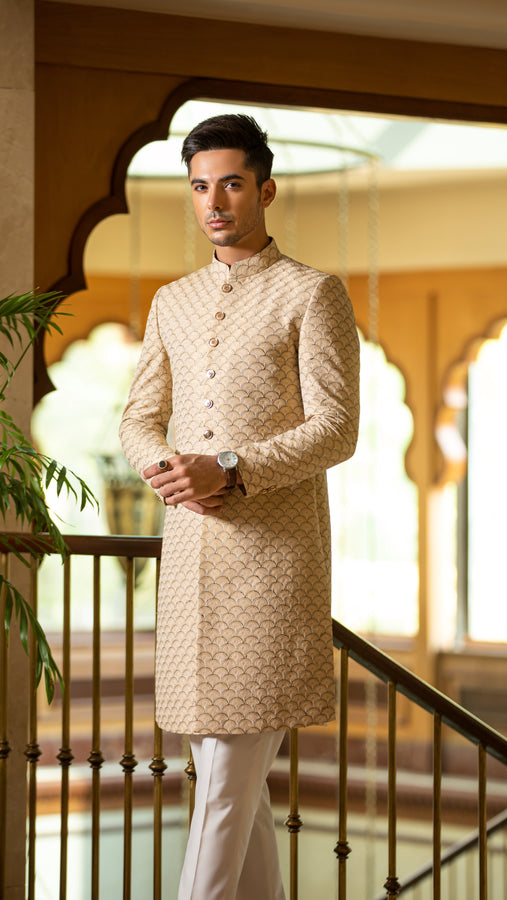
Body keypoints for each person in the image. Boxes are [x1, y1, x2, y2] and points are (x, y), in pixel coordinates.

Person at [119, 113, 360, 900]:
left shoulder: (312, 293)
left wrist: (229, 466)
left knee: (224, 783)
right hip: (190, 566)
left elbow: (337, 429)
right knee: (232, 790)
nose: (213, 201)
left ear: (265, 189)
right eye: (199, 186)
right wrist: (168, 468)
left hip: (272, 572)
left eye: (229, 183)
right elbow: (137, 416)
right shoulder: (172, 302)